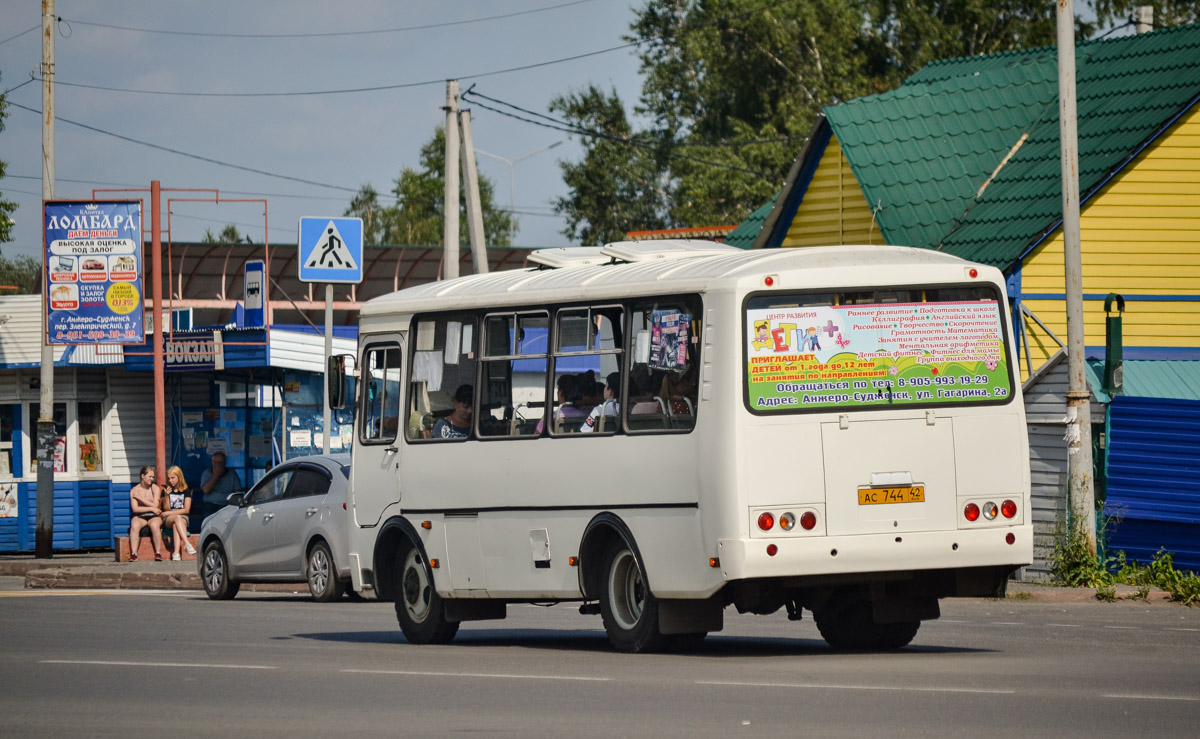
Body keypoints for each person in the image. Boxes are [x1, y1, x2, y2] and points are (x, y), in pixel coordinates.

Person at [128, 466, 164, 562]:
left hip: (154, 516)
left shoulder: (155, 488)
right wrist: (151, 508)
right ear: (143, 476)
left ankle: (158, 552)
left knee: (154, 525)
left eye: (153, 477)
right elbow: (135, 509)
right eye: (150, 476)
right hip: (141, 516)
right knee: (134, 525)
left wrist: (140, 499)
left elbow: (156, 506)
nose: (152, 479)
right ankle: (134, 554)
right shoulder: (134, 490)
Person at [159, 465, 195, 561]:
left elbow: (186, 510)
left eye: (173, 478)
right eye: (169, 478)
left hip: (182, 517)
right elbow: (166, 509)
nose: (170, 481)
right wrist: (166, 496)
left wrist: (170, 513)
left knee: (177, 523)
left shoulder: (186, 490)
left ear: (179, 477)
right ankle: (187, 544)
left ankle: (176, 553)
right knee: (176, 519)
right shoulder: (166, 490)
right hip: (169, 519)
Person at [200, 452, 243, 518]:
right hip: (210, 504)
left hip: (227, 504)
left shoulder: (232, 474)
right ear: (212, 462)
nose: (218, 465)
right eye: (216, 462)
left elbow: (238, 491)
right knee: (208, 517)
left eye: (220, 463)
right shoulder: (207, 473)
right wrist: (216, 476)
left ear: (224, 463)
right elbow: (206, 490)